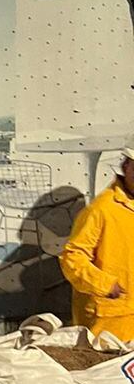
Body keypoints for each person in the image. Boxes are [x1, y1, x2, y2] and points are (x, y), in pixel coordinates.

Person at [59, 141, 134, 342]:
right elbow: (71, 259)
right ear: (125, 166)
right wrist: (104, 284)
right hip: (110, 323)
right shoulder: (101, 210)